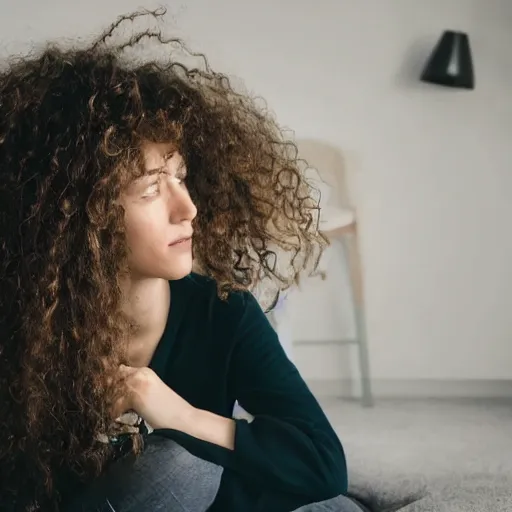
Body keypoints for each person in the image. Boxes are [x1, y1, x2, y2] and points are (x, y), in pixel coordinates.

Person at [0, 9, 370, 512]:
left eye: (182, 176)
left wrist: (177, 413)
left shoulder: (224, 310)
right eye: (152, 189)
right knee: (176, 470)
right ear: (78, 212)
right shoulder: (26, 328)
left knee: (336, 509)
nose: (188, 208)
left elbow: (323, 465)